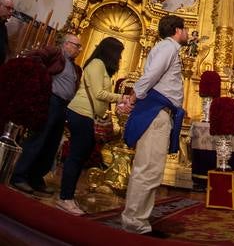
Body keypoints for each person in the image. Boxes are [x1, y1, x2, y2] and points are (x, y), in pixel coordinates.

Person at [121, 14, 187, 237]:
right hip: (155, 113)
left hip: (160, 113)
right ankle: (134, 224)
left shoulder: (167, 48)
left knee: (151, 169)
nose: (187, 33)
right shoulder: (168, 48)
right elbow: (151, 75)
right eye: (185, 29)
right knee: (148, 169)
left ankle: (138, 221)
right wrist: (134, 96)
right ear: (177, 30)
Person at [57, 36, 124, 215]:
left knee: (80, 156)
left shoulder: (101, 66)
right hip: (81, 112)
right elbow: (98, 93)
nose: (120, 58)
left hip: (87, 114)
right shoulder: (96, 64)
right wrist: (122, 98)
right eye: (119, 53)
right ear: (111, 52)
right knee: (76, 157)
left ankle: (68, 194)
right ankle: (65, 198)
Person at [11, 33, 82, 194]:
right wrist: (43, 79)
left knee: (51, 144)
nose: (79, 49)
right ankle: (19, 177)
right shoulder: (55, 53)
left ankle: (35, 178)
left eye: (79, 46)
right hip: (51, 101)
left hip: (63, 106)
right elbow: (34, 56)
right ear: (66, 44)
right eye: (76, 45)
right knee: (38, 140)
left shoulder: (74, 66)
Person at [0, 0, 15, 64]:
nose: (11, 12)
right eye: (8, 8)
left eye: (12, 9)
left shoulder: (3, 27)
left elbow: (5, 48)